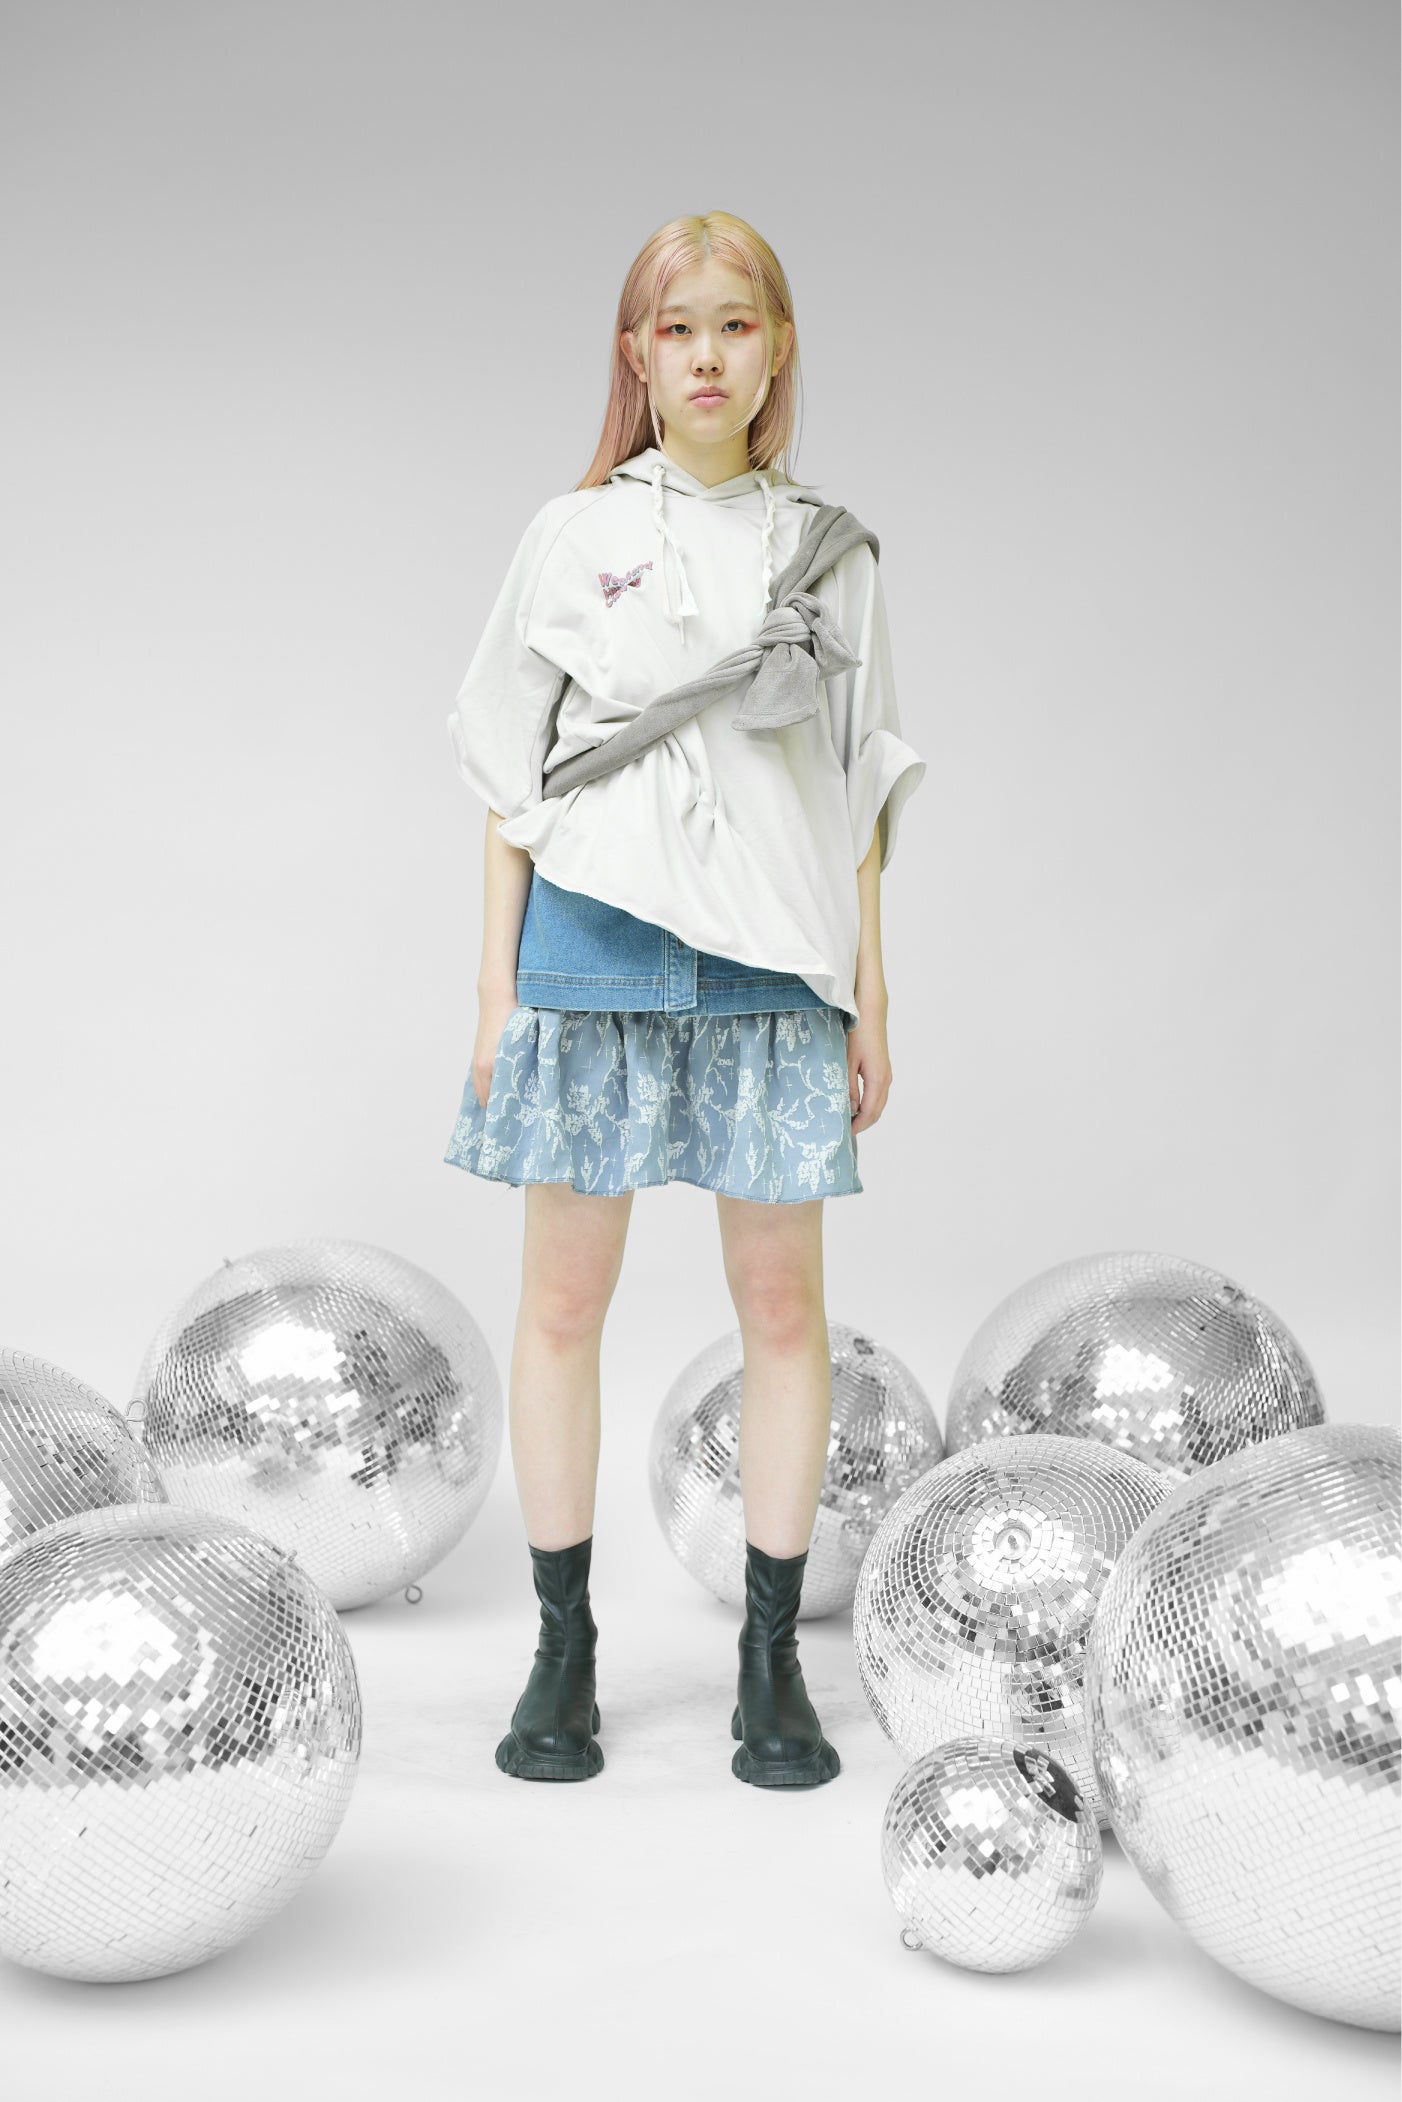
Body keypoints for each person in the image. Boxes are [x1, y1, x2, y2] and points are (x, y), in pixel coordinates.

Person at [443, 210, 926, 1790]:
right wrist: (495, 988)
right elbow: (508, 773)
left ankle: (769, 1664)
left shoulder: (830, 555)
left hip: (770, 964)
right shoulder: (572, 533)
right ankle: (561, 1646)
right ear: (635, 356)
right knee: (561, 1304)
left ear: (777, 349)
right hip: (590, 949)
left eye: (734, 324)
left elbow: (856, 784)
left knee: (781, 1310)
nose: (705, 354)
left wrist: (868, 991)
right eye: (676, 327)